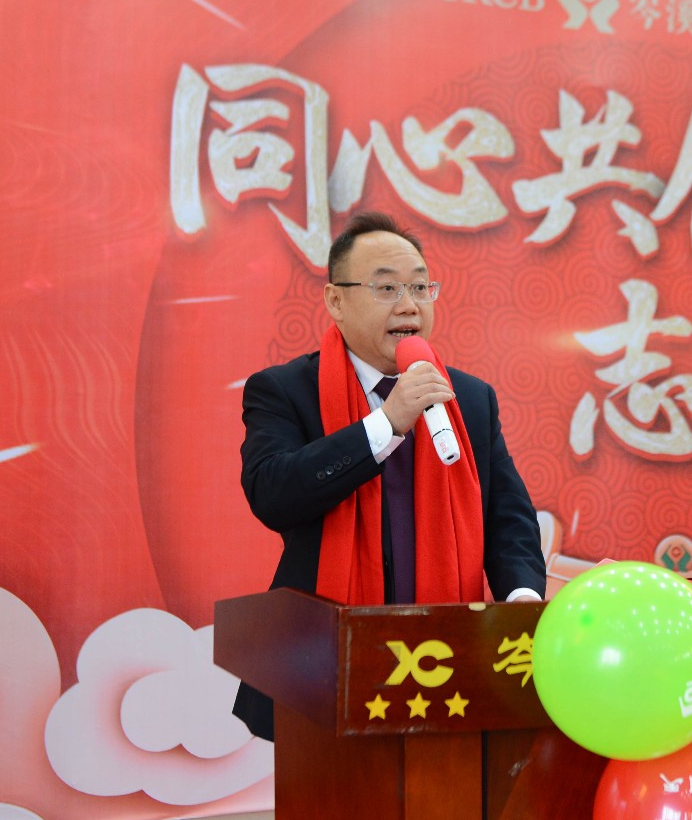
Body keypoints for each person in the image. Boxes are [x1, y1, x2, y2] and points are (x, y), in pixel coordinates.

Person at [232, 211, 546, 740]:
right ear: (336, 301)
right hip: (324, 664)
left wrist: (522, 605)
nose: (408, 304)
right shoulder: (284, 390)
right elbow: (273, 493)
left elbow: (508, 521)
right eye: (387, 288)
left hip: (448, 662)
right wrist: (386, 424)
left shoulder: (468, 398)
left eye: (420, 287)